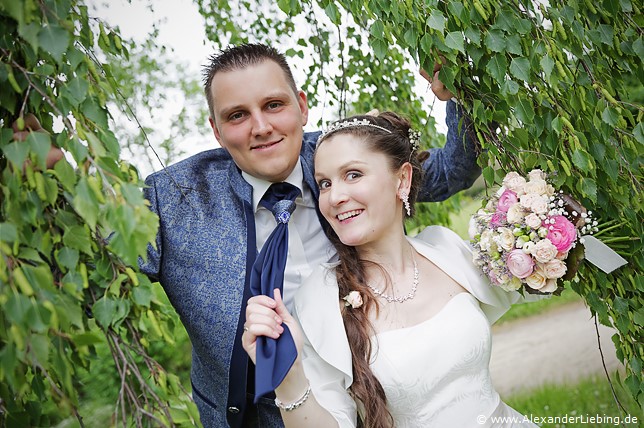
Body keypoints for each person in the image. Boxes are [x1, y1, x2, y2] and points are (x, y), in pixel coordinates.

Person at [141, 43, 481, 428]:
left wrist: (459, 95)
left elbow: (452, 168)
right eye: (237, 115)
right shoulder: (174, 201)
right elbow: (91, 256)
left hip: (380, 409)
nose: (261, 127)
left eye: (273, 105)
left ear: (301, 106)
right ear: (217, 131)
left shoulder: (340, 158)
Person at [242, 112, 539, 427]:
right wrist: (288, 380)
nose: (335, 197)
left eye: (353, 174)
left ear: (403, 179)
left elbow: (532, 281)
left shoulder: (445, 248)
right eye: (325, 183)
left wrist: (544, 229)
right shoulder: (320, 299)